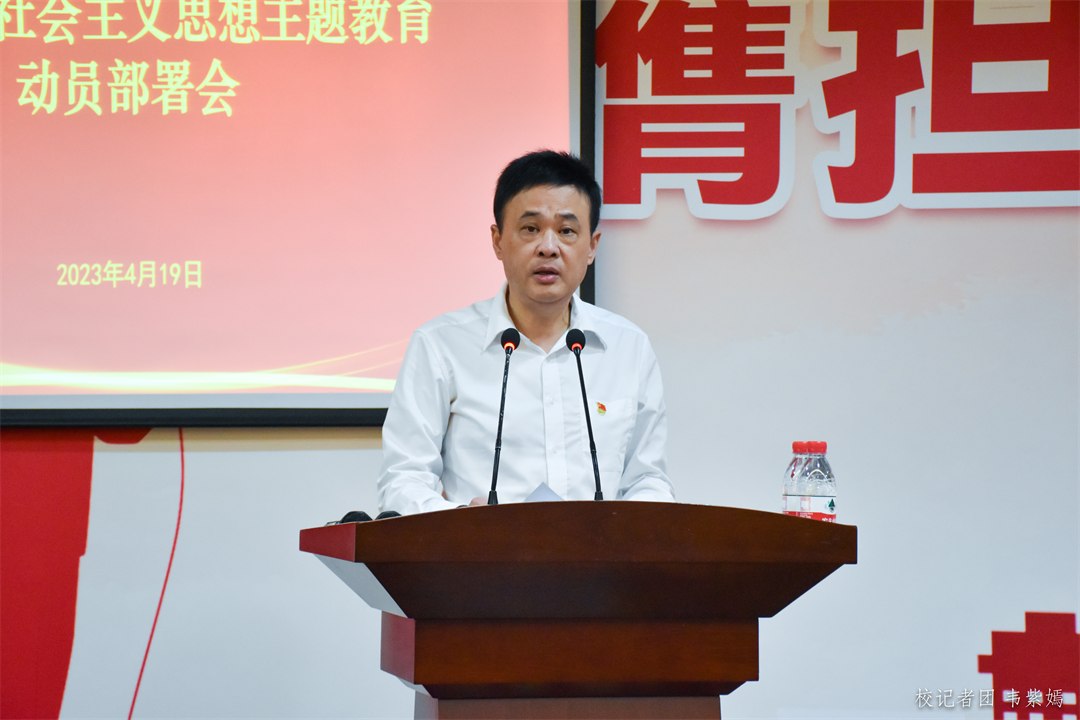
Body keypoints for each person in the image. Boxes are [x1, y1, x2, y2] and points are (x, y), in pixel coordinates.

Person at [377, 150, 675, 514]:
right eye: (530, 229)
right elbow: (403, 480)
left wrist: (624, 530)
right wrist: (462, 524)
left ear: (592, 246)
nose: (548, 248)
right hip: (478, 550)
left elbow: (648, 480)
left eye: (566, 231)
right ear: (498, 241)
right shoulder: (440, 345)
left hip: (598, 553)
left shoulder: (628, 348)